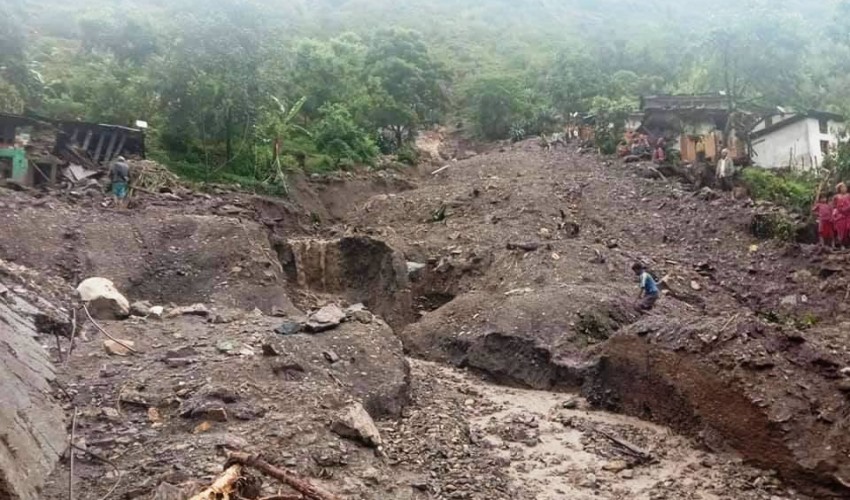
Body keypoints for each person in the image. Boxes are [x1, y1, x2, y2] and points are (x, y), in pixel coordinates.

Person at [834, 183, 850, 249]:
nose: (844, 188)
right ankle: (842, 245)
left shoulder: (849, 195)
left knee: (848, 229)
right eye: (842, 187)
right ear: (839, 189)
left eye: (845, 187)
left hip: (848, 214)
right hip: (840, 215)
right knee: (841, 231)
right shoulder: (836, 197)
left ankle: (848, 244)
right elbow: (834, 206)